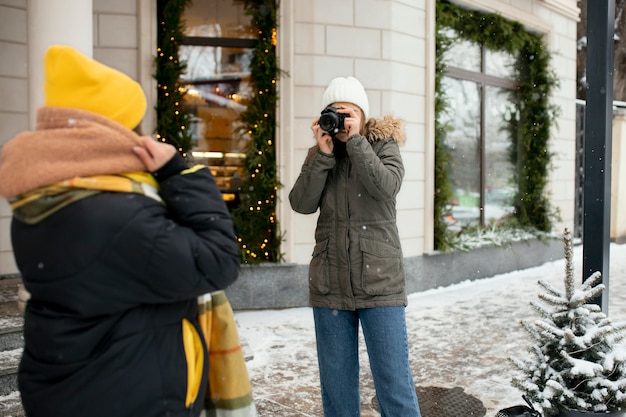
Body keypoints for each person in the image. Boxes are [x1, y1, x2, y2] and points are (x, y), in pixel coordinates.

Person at [0, 45, 240, 417]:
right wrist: (181, 172)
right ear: (115, 131)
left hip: (78, 386)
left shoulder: (49, 197)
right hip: (134, 394)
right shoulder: (118, 214)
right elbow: (218, 261)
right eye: (137, 124)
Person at [289, 76, 422, 416]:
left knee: (394, 384)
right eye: (333, 113)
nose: (341, 120)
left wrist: (358, 143)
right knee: (336, 389)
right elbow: (301, 203)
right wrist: (322, 155)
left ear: (362, 116)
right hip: (330, 284)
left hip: (380, 283)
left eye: (348, 112)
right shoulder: (321, 155)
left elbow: (386, 187)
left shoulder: (383, 148)